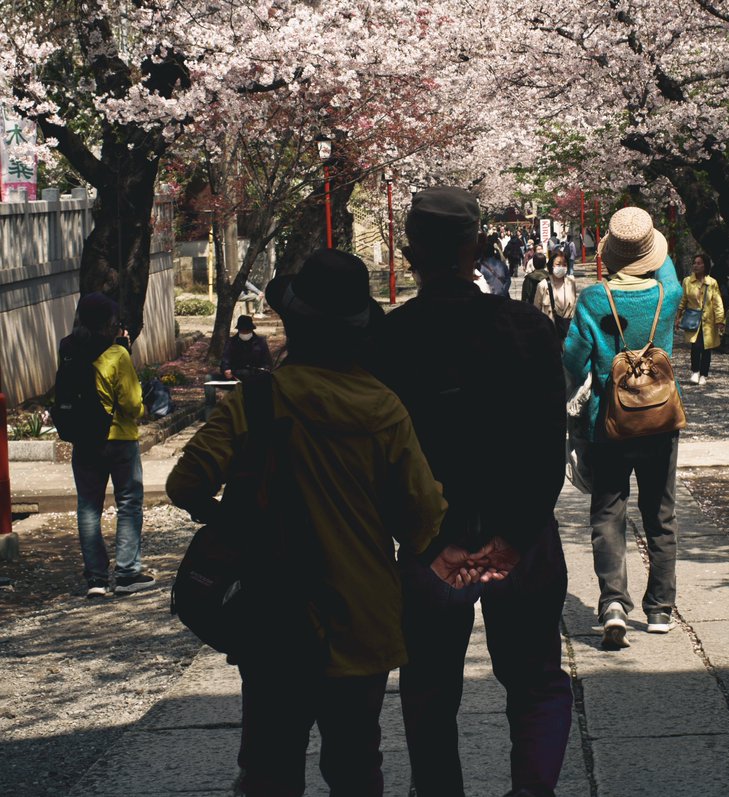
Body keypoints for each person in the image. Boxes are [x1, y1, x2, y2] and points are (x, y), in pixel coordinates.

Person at [166, 249, 449, 797]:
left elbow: (185, 485)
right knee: (356, 763)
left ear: (292, 324)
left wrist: (234, 521)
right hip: (363, 610)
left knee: (271, 763)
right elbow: (422, 519)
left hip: (275, 609)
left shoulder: (257, 402)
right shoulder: (384, 408)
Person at [377, 187, 572, 797]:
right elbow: (549, 443)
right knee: (537, 680)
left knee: (429, 689)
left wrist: (431, 545)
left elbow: (383, 460)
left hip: (434, 541)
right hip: (524, 538)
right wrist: (513, 538)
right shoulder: (526, 329)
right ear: (476, 249)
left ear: (411, 254)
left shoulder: (391, 338)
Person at [562, 206, 683, 649]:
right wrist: (647, 240)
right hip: (659, 419)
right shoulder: (665, 296)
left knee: (608, 512)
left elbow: (572, 360)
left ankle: (613, 602)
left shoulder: (595, 299)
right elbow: (666, 272)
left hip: (607, 423)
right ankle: (660, 608)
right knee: (661, 512)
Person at [62, 292, 153, 597]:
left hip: (84, 441)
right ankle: (127, 573)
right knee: (128, 503)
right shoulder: (117, 355)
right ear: (109, 324)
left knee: (88, 508)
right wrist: (144, 409)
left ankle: (97, 580)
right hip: (119, 441)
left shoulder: (69, 349)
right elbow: (130, 403)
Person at [677, 253, 726, 385]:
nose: (696, 265)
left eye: (699, 263)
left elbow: (717, 302)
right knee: (695, 346)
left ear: (705, 266)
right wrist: (678, 316)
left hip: (708, 321)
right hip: (693, 319)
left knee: (706, 348)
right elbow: (683, 300)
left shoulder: (712, 283)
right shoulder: (687, 281)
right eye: (694, 263)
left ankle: (704, 374)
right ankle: (695, 371)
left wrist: (720, 320)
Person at [534, 250, 578, 339]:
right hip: (549, 333)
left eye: (564, 264)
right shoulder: (543, 285)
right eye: (558, 264)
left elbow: (574, 306)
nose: (561, 267)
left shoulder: (571, 281)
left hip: (568, 333)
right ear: (551, 265)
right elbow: (536, 310)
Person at [220, 315, 272, 381]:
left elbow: (267, 362)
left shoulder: (260, 342)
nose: (245, 332)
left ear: (251, 329)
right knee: (209, 378)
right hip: (236, 376)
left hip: (256, 376)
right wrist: (226, 369)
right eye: (242, 330)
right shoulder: (231, 342)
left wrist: (264, 370)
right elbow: (225, 360)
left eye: (247, 330)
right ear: (238, 330)